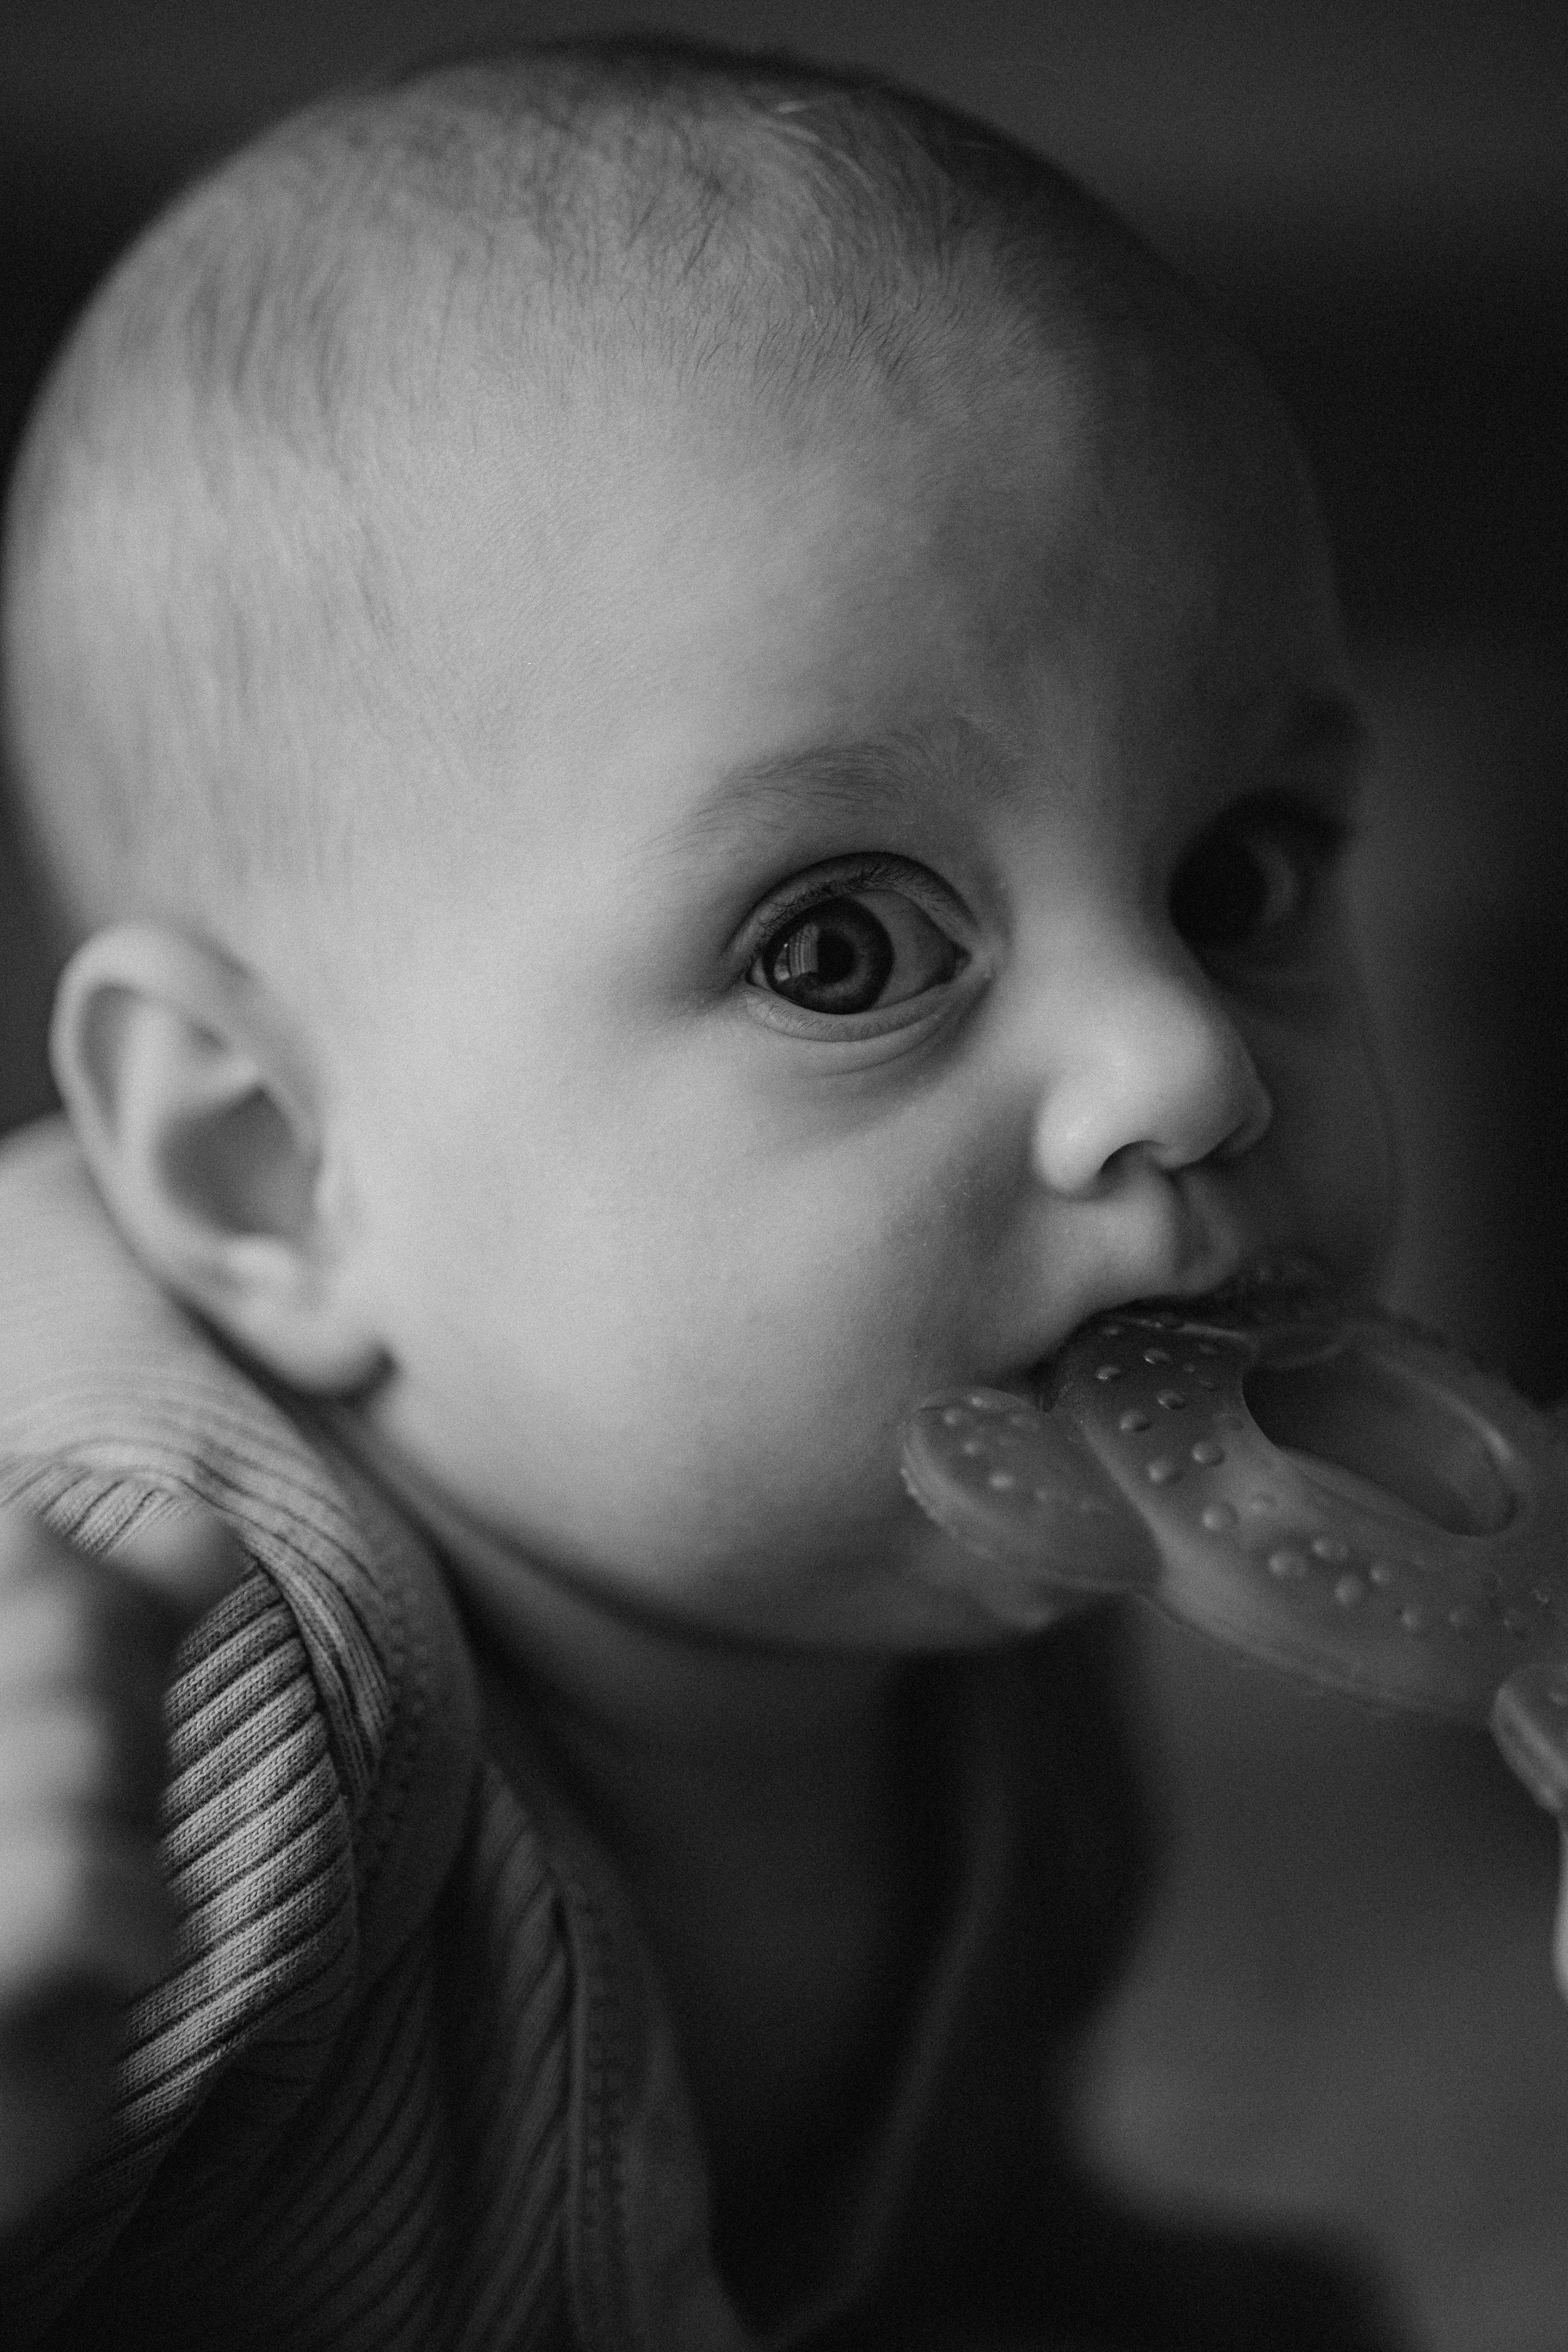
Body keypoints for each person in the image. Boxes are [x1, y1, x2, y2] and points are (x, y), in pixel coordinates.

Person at [0, 32, 1523, 2348]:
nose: (1189, 1064)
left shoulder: (927, 1611)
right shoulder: (176, 1668)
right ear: (267, 1163)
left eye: (1240, 873)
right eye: (842, 947)